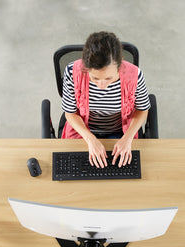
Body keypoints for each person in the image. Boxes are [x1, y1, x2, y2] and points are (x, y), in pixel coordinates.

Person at [61, 31, 151, 168]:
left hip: (120, 133)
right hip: (83, 133)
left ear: (120, 66)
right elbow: (70, 113)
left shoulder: (135, 76)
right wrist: (91, 140)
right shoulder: (72, 72)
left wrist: (127, 139)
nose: (101, 86)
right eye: (95, 78)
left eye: (109, 78)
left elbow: (142, 110)